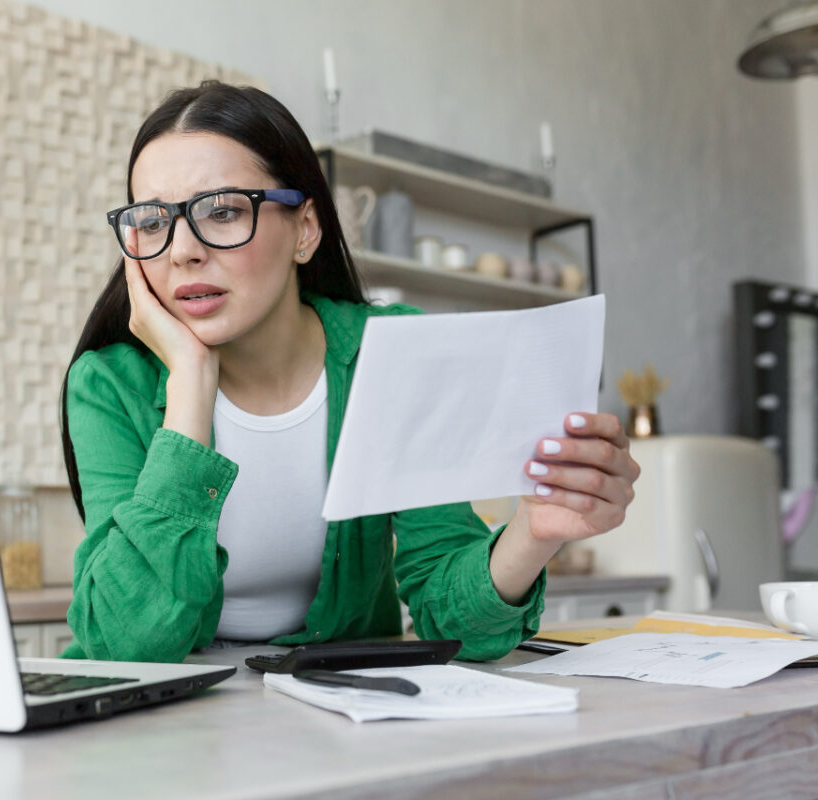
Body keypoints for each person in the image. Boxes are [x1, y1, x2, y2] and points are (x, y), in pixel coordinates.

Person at [57, 81, 639, 663]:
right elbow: (121, 643)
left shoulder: (387, 353)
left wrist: (535, 532)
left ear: (305, 229)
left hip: (336, 726)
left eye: (223, 210)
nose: (182, 249)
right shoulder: (110, 384)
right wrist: (187, 388)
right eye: (153, 222)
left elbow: (455, 623)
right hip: (168, 738)